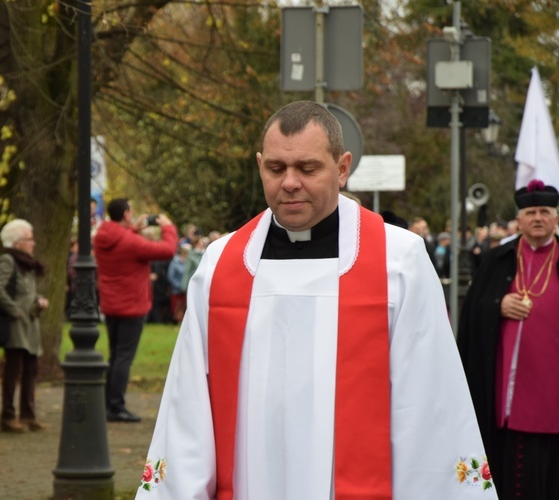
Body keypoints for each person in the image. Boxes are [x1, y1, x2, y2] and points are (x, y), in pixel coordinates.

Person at [136, 101, 495, 498]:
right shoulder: (221, 265)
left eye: (307, 169)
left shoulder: (398, 261)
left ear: (342, 168)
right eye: (276, 168)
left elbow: (429, 402)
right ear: (260, 166)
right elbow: (189, 406)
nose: (290, 182)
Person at [458, 179, 559, 499]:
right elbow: (472, 311)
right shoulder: (497, 259)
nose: (538, 218)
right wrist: (497, 305)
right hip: (501, 389)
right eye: (530, 212)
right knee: (492, 469)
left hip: (550, 385)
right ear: (519, 220)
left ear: (556, 217)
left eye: (545, 211)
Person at [93, 199, 178, 422]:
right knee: (124, 358)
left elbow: (121, 240)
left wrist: (132, 228)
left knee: (116, 356)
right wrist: (168, 227)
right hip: (132, 305)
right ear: (127, 214)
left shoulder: (103, 237)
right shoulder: (130, 242)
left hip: (111, 304)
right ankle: (116, 406)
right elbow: (167, 250)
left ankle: (110, 404)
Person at [0, 219, 49, 433]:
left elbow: (27, 292)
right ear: (17, 242)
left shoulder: (27, 263)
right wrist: (13, 309)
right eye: (29, 239)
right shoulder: (8, 260)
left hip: (30, 324)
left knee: (31, 369)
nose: (33, 243)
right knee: (13, 369)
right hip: (16, 324)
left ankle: (28, 415)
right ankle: (7, 416)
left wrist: (38, 300)